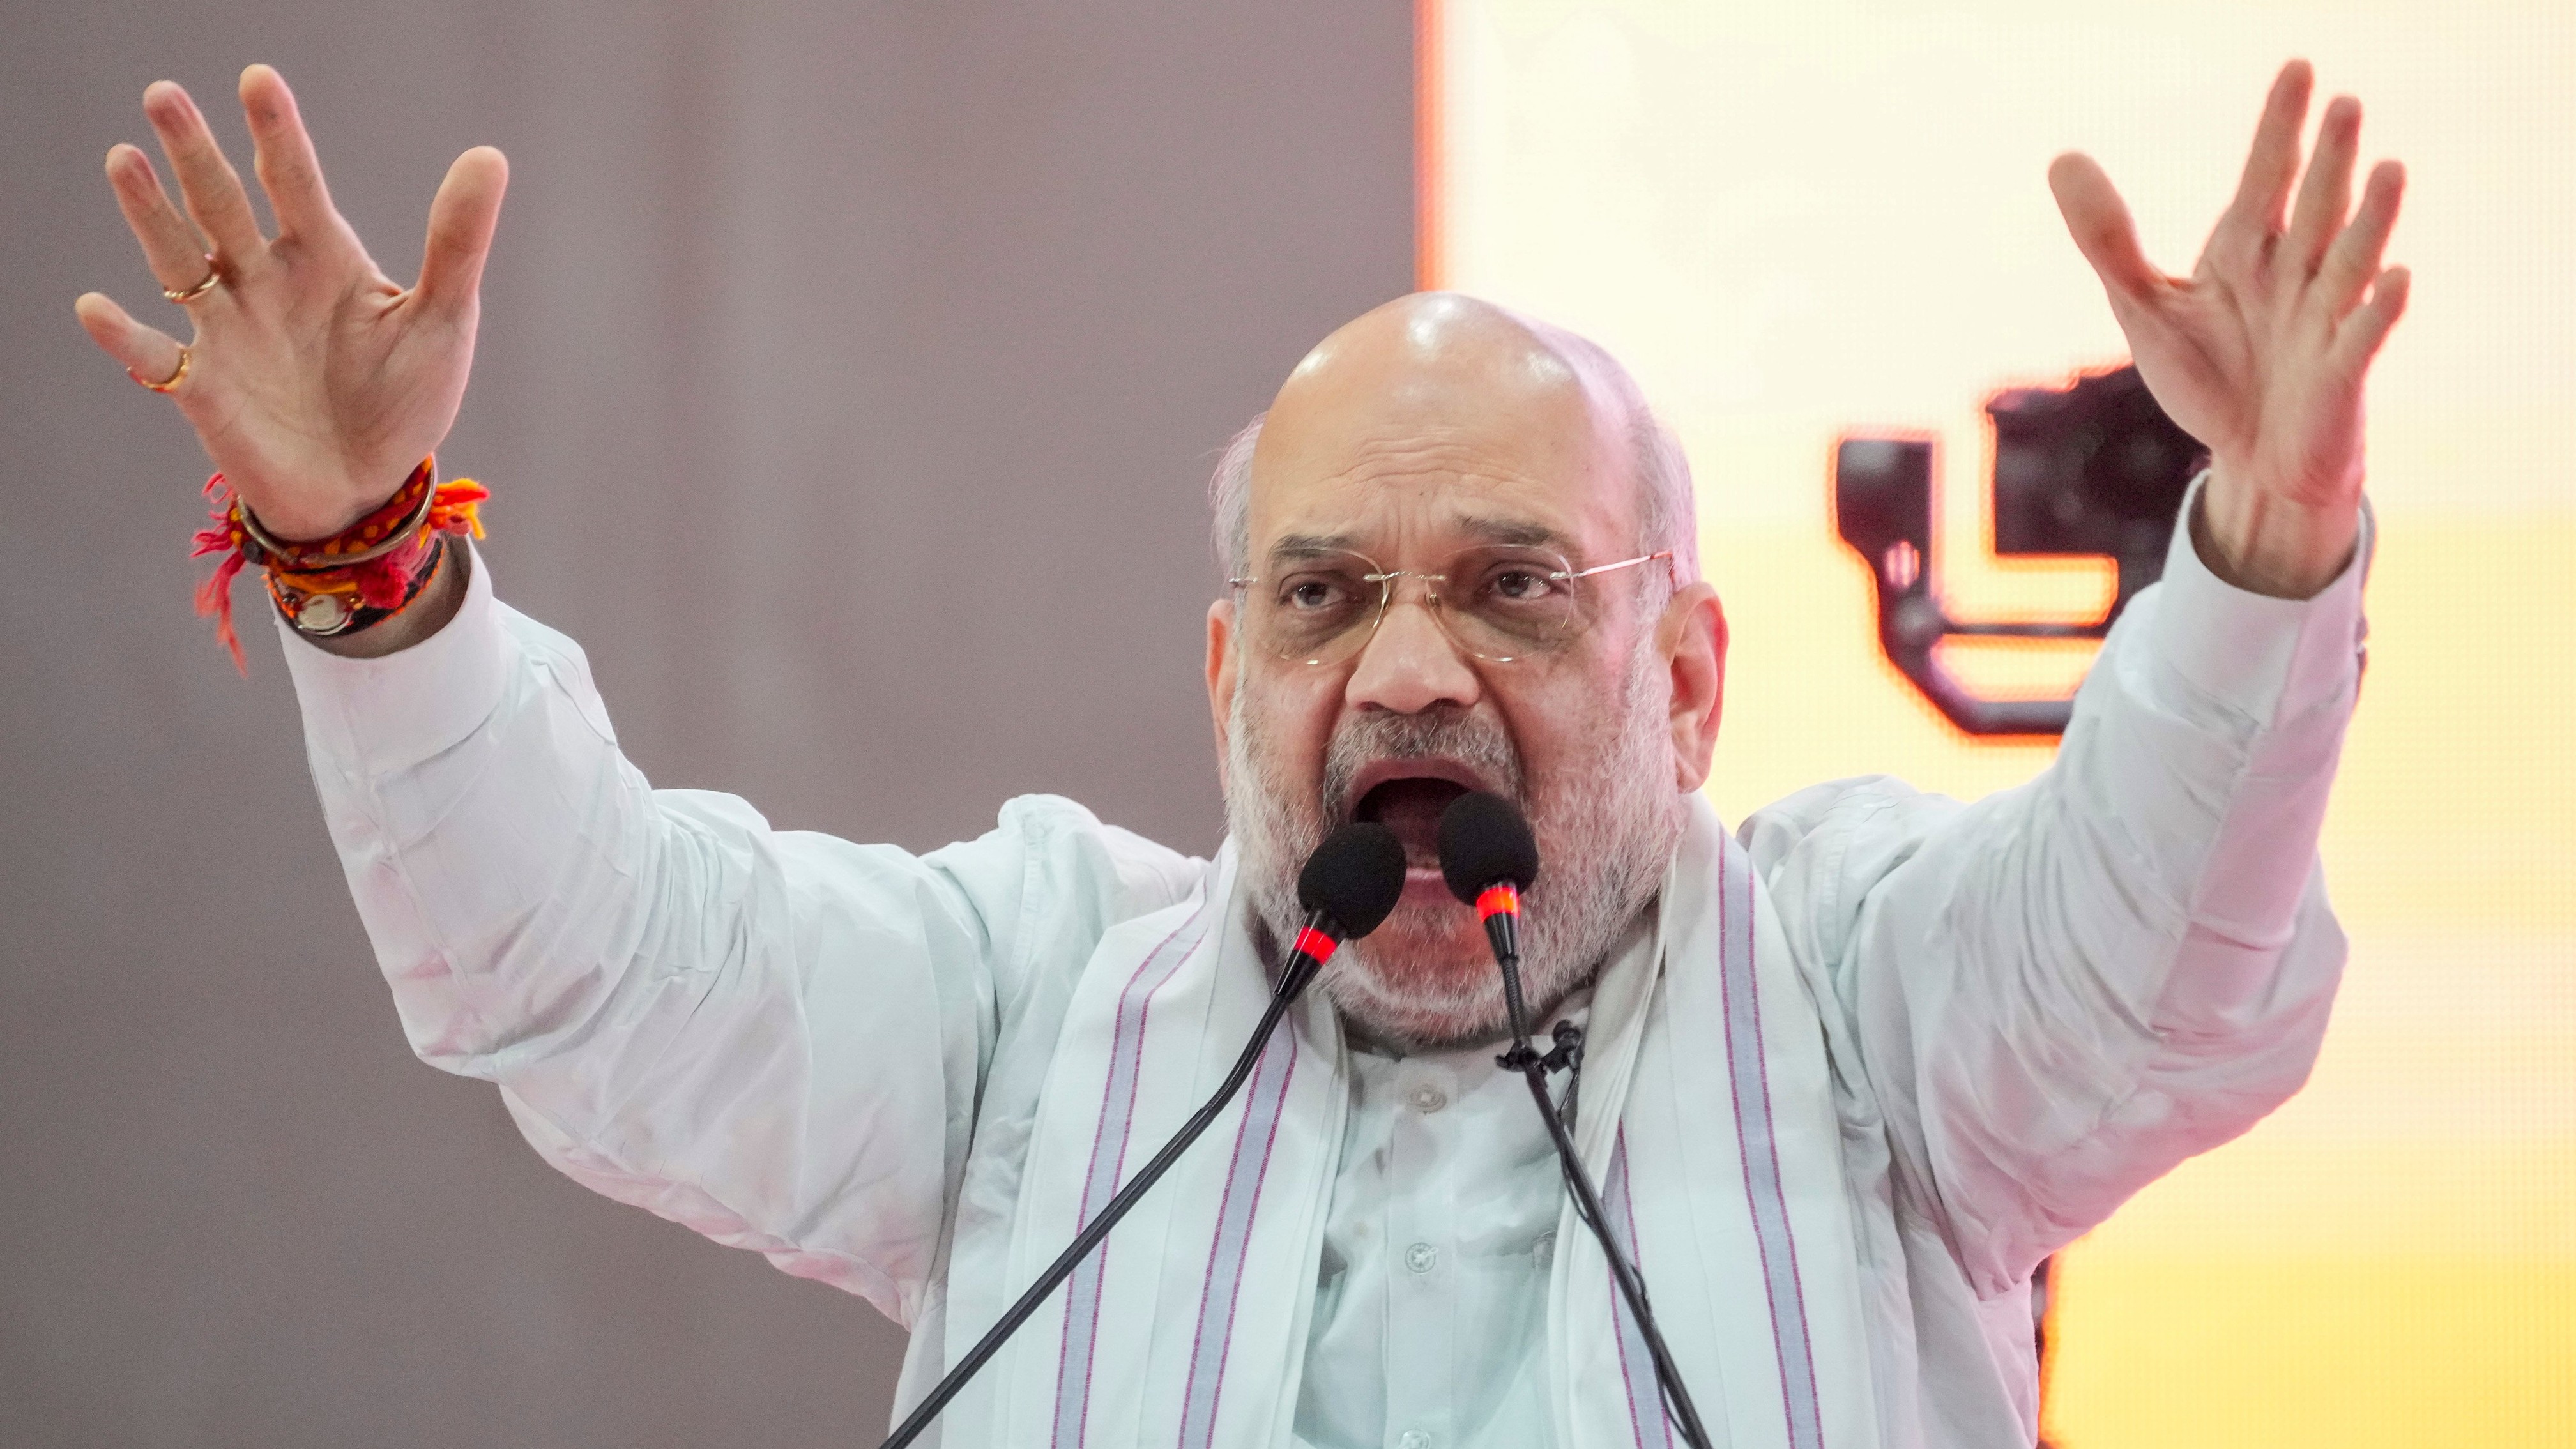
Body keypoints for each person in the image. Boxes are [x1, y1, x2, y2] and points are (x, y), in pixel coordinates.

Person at [76, 58, 2405, 1449]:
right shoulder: (1023, 1010)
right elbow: (584, 966)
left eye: (1510, 586)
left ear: (1689, 679)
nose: (1402, 672)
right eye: (1321, 596)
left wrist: (2268, 545)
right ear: (1223, 684)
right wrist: (358, 550)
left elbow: (2148, 972)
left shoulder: (1860, 989)